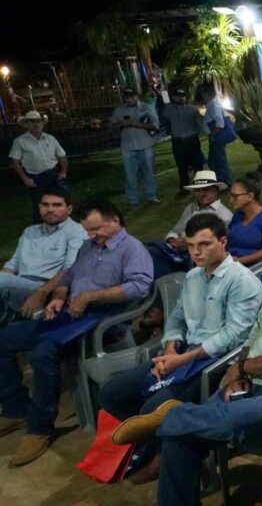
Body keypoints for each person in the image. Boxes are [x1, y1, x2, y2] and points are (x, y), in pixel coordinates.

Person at [113, 223, 262, 506]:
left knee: (215, 420)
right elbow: (253, 337)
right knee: (183, 438)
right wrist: (240, 371)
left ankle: (168, 418)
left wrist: (242, 369)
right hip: (254, 383)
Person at [98, 213, 262, 482]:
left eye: (204, 244)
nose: (196, 252)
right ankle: (152, 446)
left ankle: (164, 455)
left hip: (218, 362)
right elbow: (177, 316)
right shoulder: (193, 276)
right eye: (191, 245)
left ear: (223, 242)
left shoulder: (241, 281)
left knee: (153, 408)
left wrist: (184, 358)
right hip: (184, 356)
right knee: (112, 393)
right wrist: (170, 349)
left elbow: (235, 335)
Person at [0, 199, 153, 467]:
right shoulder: (88, 247)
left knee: (43, 354)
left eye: (97, 229)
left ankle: (40, 428)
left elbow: (139, 286)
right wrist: (60, 296)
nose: (92, 235)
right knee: (3, 340)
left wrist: (91, 296)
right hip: (70, 316)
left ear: (115, 221)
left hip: (101, 321)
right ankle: (16, 407)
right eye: (88, 230)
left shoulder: (132, 249)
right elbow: (69, 276)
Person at [0, 188, 87, 327]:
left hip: (48, 287)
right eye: (45, 205)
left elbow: (70, 269)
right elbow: (12, 266)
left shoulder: (76, 231)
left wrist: (42, 292)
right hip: (19, 284)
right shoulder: (30, 232)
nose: (50, 210)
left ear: (69, 209)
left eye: (56, 205)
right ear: (39, 206)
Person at [148, 171, 233, 279]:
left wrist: (188, 245)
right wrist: (171, 239)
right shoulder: (190, 208)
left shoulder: (224, 215)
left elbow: (217, 246)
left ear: (216, 191)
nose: (202, 194)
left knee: (152, 257)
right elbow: (176, 229)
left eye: (206, 190)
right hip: (175, 249)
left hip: (194, 257)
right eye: (198, 190)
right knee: (146, 252)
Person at [9, 111, 69, 222]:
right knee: (39, 206)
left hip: (53, 175)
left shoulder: (51, 138)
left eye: (38, 121)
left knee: (63, 201)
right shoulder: (19, 141)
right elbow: (15, 161)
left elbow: (62, 156)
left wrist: (63, 171)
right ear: (26, 124)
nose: (36, 124)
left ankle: (65, 225)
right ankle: (40, 228)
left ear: (42, 123)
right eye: (32, 122)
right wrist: (25, 179)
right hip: (35, 178)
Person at [226, 178, 262, 287]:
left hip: (255, 270)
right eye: (230, 195)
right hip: (231, 267)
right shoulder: (238, 216)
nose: (230, 200)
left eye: (235, 196)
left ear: (250, 196)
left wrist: (241, 260)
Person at [112, 88, 160, 207]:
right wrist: (121, 124)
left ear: (137, 96)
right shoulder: (119, 110)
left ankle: (151, 196)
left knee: (148, 172)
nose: (129, 99)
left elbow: (155, 126)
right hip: (127, 146)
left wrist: (135, 124)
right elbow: (113, 127)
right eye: (127, 97)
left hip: (145, 144)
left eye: (132, 97)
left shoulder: (146, 107)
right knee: (129, 175)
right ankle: (133, 200)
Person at [161, 88, 206, 198]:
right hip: (178, 141)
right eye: (178, 96)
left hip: (192, 140)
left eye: (183, 96)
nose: (181, 98)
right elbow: (165, 123)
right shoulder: (168, 110)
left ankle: (202, 186)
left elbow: (200, 124)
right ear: (174, 97)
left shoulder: (192, 109)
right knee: (181, 166)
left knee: (197, 165)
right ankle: (184, 188)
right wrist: (172, 132)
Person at [199, 85, 233, 185]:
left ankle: (227, 182)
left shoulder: (214, 105)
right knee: (213, 160)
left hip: (216, 136)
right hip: (214, 135)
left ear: (207, 94)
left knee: (220, 160)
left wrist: (213, 135)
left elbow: (220, 123)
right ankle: (220, 180)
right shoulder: (211, 105)